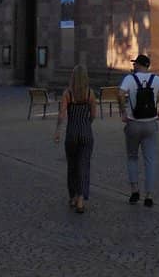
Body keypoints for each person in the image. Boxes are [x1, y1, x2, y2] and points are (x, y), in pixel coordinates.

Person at [118, 52, 159, 206]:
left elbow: (120, 94)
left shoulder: (130, 79)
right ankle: (149, 195)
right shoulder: (156, 79)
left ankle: (135, 191)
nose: (133, 65)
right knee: (150, 160)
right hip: (150, 123)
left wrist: (123, 112)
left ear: (139, 65)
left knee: (132, 157)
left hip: (133, 123)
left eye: (135, 63)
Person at [54, 65, 98, 214]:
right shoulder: (90, 93)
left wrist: (58, 131)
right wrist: (87, 124)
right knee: (84, 166)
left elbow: (62, 114)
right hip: (86, 132)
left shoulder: (68, 93)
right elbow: (93, 114)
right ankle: (80, 199)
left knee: (72, 166)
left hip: (72, 133)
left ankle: (72, 196)